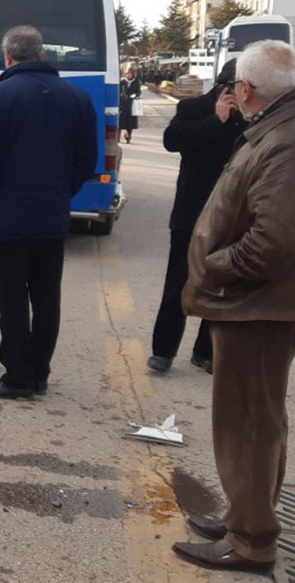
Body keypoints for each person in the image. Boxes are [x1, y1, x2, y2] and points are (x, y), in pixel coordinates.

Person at [172, 40, 295, 575]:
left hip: (255, 307)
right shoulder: (277, 127)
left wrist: (217, 266)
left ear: (246, 90)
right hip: (258, 305)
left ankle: (250, 541)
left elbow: (273, 241)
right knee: (256, 420)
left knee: (247, 423)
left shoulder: (284, 141)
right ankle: (245, 515)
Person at [0, 25, 97, 399]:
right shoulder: (77, 98)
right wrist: (60, 193)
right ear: (42, 55)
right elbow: (86, 161)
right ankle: (39, 374)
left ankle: (18, 377)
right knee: (46, 296)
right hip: (51, 215)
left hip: (4, 219)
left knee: (13, 297)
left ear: (6, 57)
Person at [146, 59, 247, 375]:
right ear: (224, 87)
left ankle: (205, 351)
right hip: (192, 214)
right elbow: (172, 140)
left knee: (222, 286)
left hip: (234, 216)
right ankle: (163, 351)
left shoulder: (255, 117)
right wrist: (216, 120)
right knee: (179, 283)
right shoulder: (194, 108)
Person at [119, 66, 142, 143]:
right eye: (128, 74)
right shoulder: (122, 82)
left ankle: (128, 138)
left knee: (130, 123)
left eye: (131, 74)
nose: (129, 75)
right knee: (120, 122)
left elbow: (139, 92)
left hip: (132, 104)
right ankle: (118, 138)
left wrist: (135, 95)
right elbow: (118, 91)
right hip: (123, 104)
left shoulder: (136, 82)